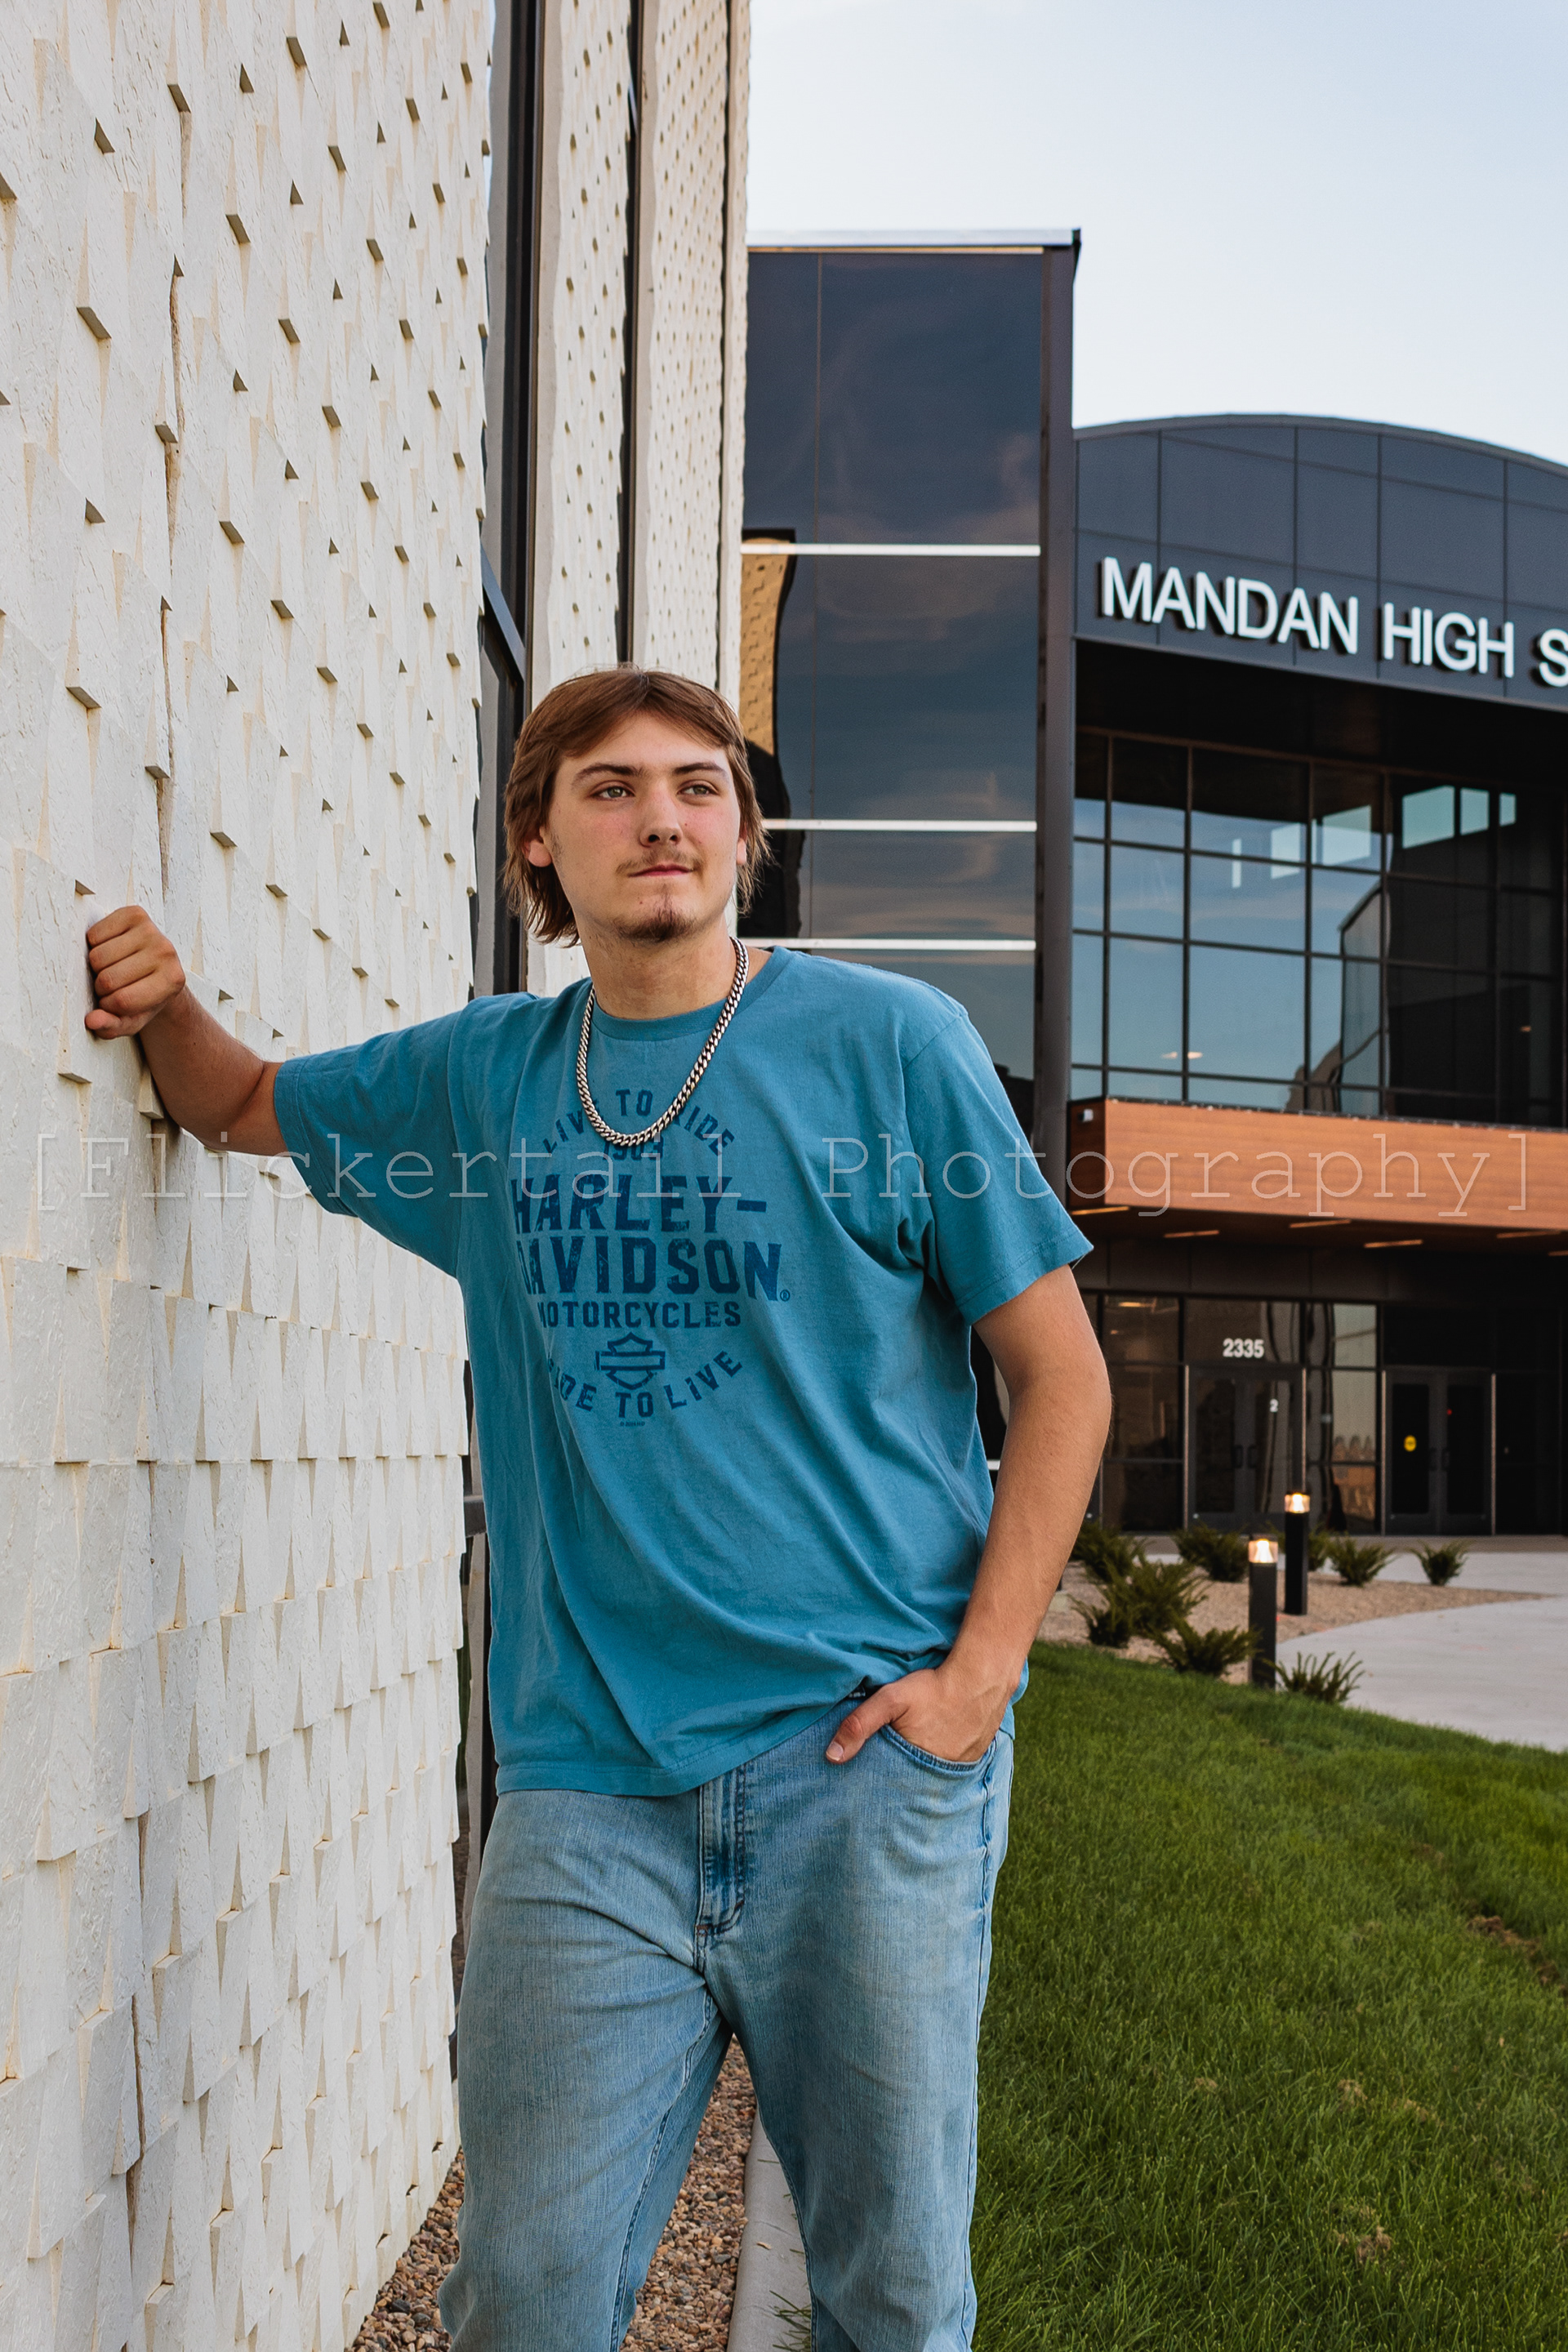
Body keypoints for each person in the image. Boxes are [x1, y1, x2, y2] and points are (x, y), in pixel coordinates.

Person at [85, 665, 1111, 2352]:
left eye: (699, 787)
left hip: (863, 1771)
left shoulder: (891, 1048)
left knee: (893, 2292)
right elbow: (243, 1102)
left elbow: (1062, 1380)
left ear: (746, 834)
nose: (663, 820)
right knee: (529, 2292)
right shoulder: (488, 1083)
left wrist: (979, 1681)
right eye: (613, 789)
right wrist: (163, 996)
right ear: (537, 846)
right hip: (585, 1790)